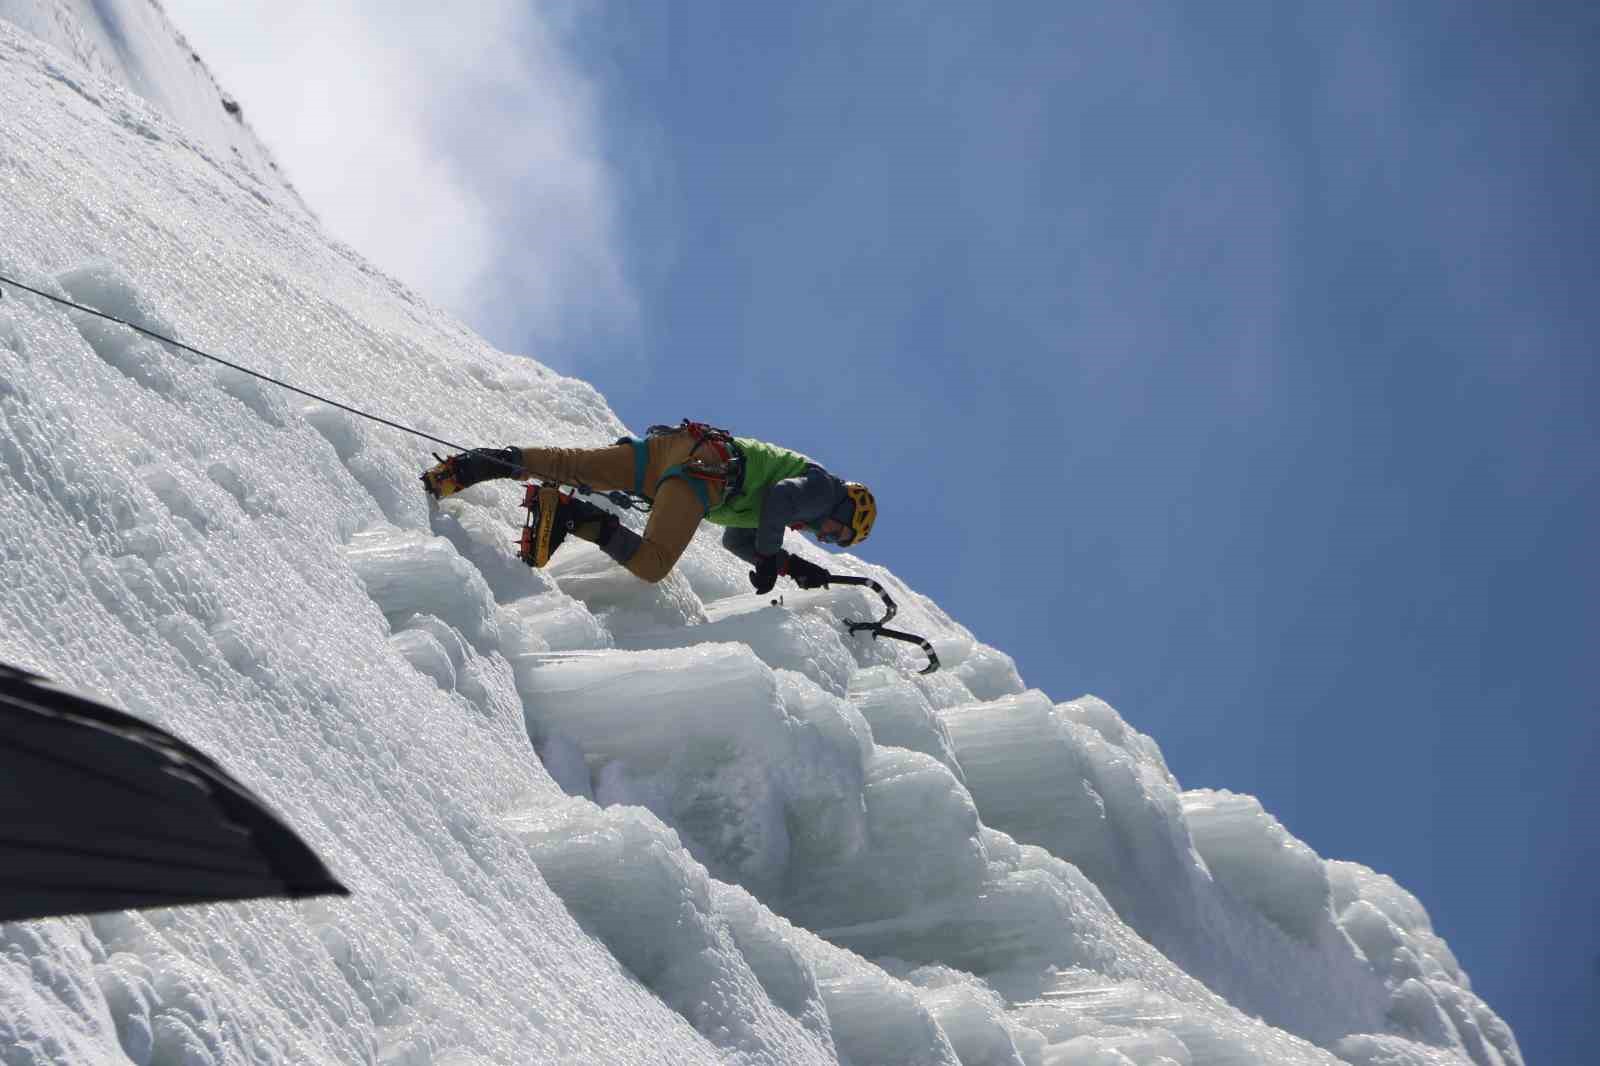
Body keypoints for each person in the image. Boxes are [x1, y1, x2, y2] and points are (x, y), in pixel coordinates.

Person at [421, 420, 875, 594]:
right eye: (837, 533)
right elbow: (779, 501)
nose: (827, 537)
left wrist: (788, 565)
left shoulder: (798, 501)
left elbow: (739, 537)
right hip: (705, 473)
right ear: (845, 510)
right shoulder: (823, 489)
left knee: (571, 465)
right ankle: (575, 517)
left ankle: (476, 466)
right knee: (654, 563)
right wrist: (773, 557)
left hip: (673, 451)